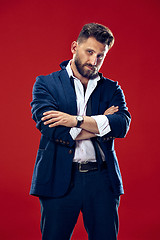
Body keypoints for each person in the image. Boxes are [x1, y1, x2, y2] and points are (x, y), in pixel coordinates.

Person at [30, 23, 131, 240]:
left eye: (101, 56)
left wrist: (74, 120)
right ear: (74, 47)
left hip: (102, 180)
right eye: (90, 52)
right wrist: (102, 124)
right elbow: (51, 129)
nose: (94, 61)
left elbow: (121, 125)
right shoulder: (46, 84)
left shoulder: (111, 88)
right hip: (58, 178)